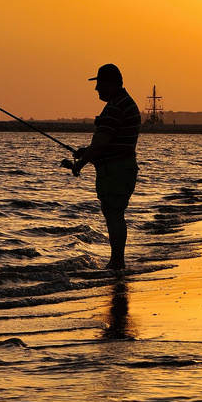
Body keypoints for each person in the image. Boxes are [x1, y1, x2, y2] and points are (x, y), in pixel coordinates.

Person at [71, 63, 141, 270]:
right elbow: (108, 142)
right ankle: (117, 261)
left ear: (110, 82)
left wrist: (80, 163)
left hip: (116, 171)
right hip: (122, 167)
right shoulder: (126, 104)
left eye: (99, 83)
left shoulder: (114, 107)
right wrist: (87, 150)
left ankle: (117, 262)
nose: (96, 89)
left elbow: (101, 143)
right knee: (113, 211)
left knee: (114, 213)